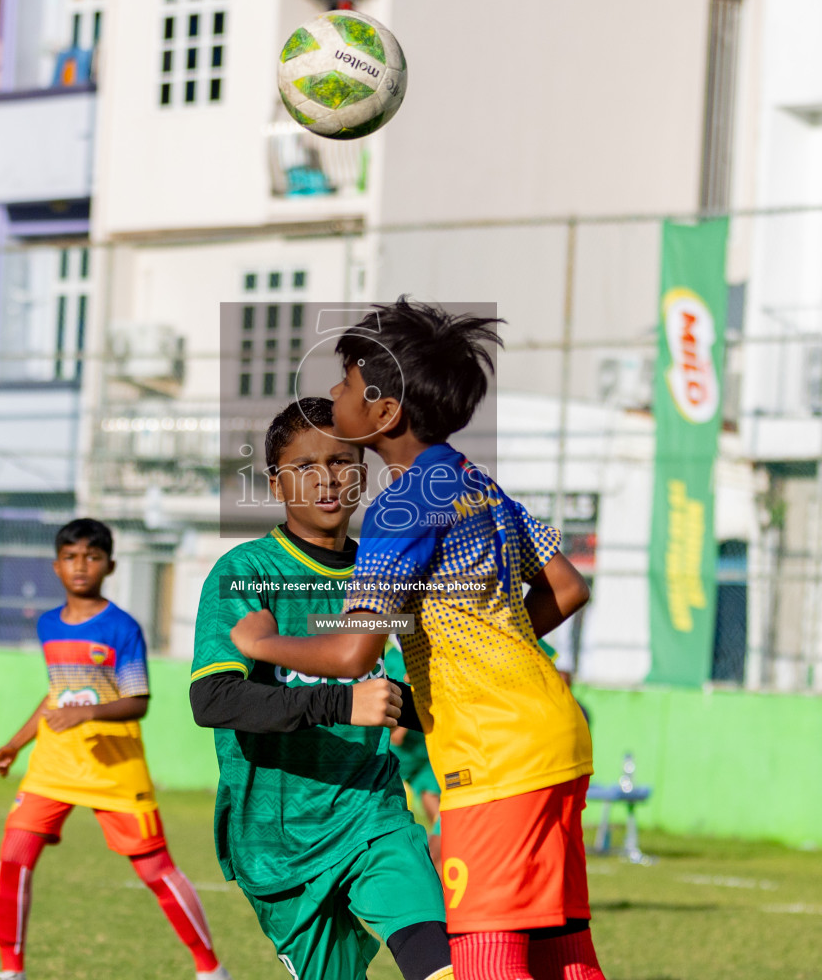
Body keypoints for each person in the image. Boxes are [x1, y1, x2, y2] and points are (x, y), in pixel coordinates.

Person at [229, 300, 601, 980]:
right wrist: (490, 641)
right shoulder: (473, 480)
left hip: (493, 756)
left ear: (384, 411)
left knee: (484, 955)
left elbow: (354, 654)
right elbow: (568, 586)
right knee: (560, 950)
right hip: (553, 736)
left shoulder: (399, 507)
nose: (335, 394)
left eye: (344, 383)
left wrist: (265, 643)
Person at [191, 397, 453, 980]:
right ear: (276, 481)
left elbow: (408, 697)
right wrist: (341, 702)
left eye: (342, 462)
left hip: (371, 810)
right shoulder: (245, 571)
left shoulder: (385, 574)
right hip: (276, 838)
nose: (327, 479)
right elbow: (213, 700)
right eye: (306, 467)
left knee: (438, 961)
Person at [0, 518, 230, 980]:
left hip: (115, 770)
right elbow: (56, 692)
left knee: (156, 870)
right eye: (71, 557)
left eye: (92, 557)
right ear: (56, 566)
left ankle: (210, 969)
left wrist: (85, 714)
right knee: (13, 857)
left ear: (110, 565)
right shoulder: (47, 625)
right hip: (52, 766)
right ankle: (10, 971)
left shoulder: (122, 628)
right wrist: (14, 745)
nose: (82, 566)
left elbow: (138, 701)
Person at [383, 638, 442, 870]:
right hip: (411, 761)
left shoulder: (425, 647)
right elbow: (395, 735)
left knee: (441, 824)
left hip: (430, 753)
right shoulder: (388, 661)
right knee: (440, 826)